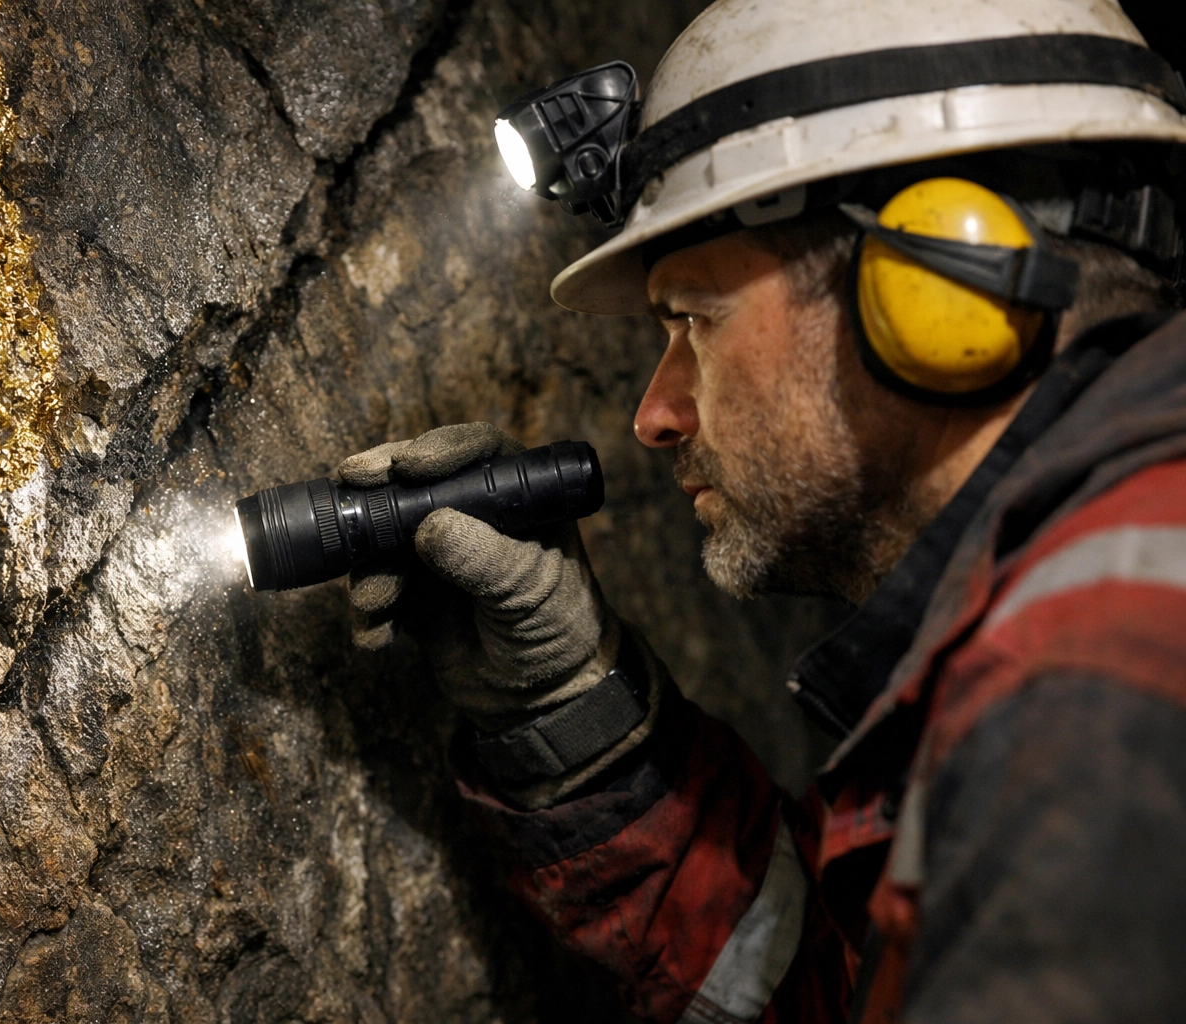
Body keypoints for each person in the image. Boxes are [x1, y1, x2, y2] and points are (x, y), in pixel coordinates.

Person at [336, 1, 1186, 1021]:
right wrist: (572, 710)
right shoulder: (1076, 625)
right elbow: (835, 983)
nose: (655, 415)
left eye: (694, 317)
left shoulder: (1099, 664)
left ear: (932, 291)